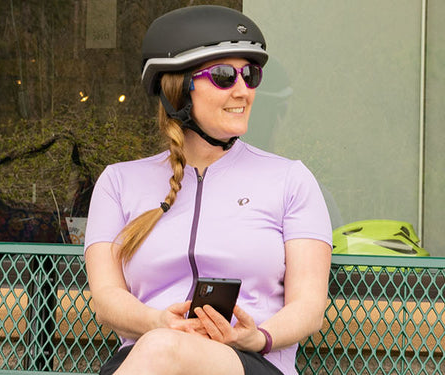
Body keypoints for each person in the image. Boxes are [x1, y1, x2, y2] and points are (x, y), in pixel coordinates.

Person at [82, 5, 333, 375]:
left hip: (252, 360)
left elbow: (309, 307)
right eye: (224, 76)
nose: (243, 91)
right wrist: (159, 322)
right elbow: (106, 300)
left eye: (250, 75)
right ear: (178, 89)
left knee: (164, 349)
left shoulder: (290, 179)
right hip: (147, 355)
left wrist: (257, 336)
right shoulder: (118, 183)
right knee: (162, 348)